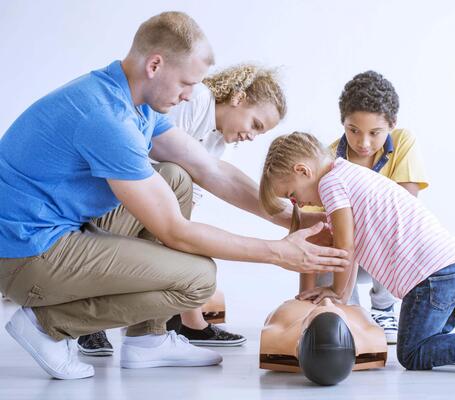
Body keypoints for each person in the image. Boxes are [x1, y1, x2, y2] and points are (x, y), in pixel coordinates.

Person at [0, 12, 348, 380]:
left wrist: (291, 218)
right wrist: (278, 252)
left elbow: (209, 169)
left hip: (53, 230)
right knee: (198, 278)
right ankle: (48, 325)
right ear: (155, 65)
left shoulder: (133, 101)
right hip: (26, 255)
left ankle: (148, 340)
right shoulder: (108, 119)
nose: (189, 95)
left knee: (175, 177)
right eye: (186, 83)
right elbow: (174, 231)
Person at [258, 131, 455, 377]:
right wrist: (342, 295)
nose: (298, 203)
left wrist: (336, 291)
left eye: (291, 195)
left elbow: (345, 247)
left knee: (413, 354)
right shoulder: (349, 174)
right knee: (434, 345)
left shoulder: (331, 183)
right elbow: (353, 249)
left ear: (303, 171)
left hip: (432, 278)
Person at [78, 63, 285, 353]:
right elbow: (151, 165)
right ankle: (90, 320)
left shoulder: (216, 141)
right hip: (112, 203)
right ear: (238, 99)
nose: (251, 136)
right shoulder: (196, 99)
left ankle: (173, 326)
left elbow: (186, 206)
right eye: (255, 125)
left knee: (182, 233)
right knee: (175, 187)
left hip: (145, 207)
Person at [308, 70, 429, 344]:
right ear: (343, 122)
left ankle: (383, 309)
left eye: (374, 133)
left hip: (383, 249)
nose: (363, 143)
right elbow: (320, 229)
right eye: (353, 130)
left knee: (387, 229)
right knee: (325, 250)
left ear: (392, 124)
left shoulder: (403, 141)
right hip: (344, 250)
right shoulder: (327, 159)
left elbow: (405, 207)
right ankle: (349, 313)